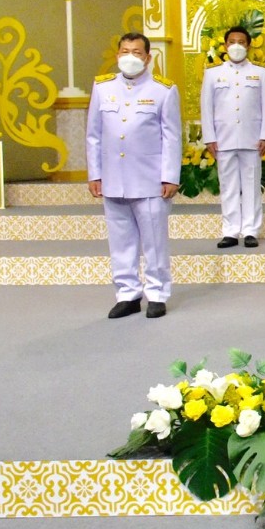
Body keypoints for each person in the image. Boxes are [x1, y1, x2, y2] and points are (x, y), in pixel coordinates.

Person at [86, 32, 181, 319]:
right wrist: (95, 174)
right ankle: (127, 294)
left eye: (137, 52)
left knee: (154, 241)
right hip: (113, 178)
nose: (130, 57)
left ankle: (157, 294)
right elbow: (94, 135)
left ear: (148, 58)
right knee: (120, 241)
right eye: (125, 51)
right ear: (117, 55)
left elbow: (172, 137)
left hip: (149, 179)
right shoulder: (103, 87)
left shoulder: (163, 90)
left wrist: (170, 176)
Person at [200, 25, 265, 249]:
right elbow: (206, 107)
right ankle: (230, 231)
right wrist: (209, 137)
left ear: (248, 46)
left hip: (253, 139)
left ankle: (251, 230)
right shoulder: (213, 73)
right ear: (225, 46)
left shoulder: (260, 73)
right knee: (228, 186)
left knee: (251, 185)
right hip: (223, 139)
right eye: (232, 42)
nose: (236, 46)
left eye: (241, 42)